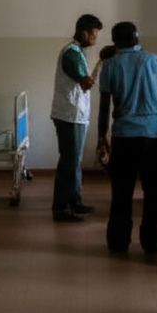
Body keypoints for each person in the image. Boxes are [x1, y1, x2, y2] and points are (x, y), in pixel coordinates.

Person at [96, 21, 157, 255]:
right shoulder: (155, 61)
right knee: (155, 193)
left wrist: (102, 137)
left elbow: (104, 106)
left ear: (115, 42)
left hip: (123, 135)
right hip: (152, 135)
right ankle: (151, 241)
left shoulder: (110, 66)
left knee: (121, 192)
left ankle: (119, 242)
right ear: (137, 39)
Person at [50, 13, 103, 222]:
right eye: (94, 34)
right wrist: (101, 62)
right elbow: (86, 83)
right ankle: (62, 207)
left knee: (73, 161)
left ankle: (75, 202)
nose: (95, 38)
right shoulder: (71, 54)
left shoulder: (77, 52)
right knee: (70, 162)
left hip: (75, 115)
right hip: (69, 115)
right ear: (84, 32)